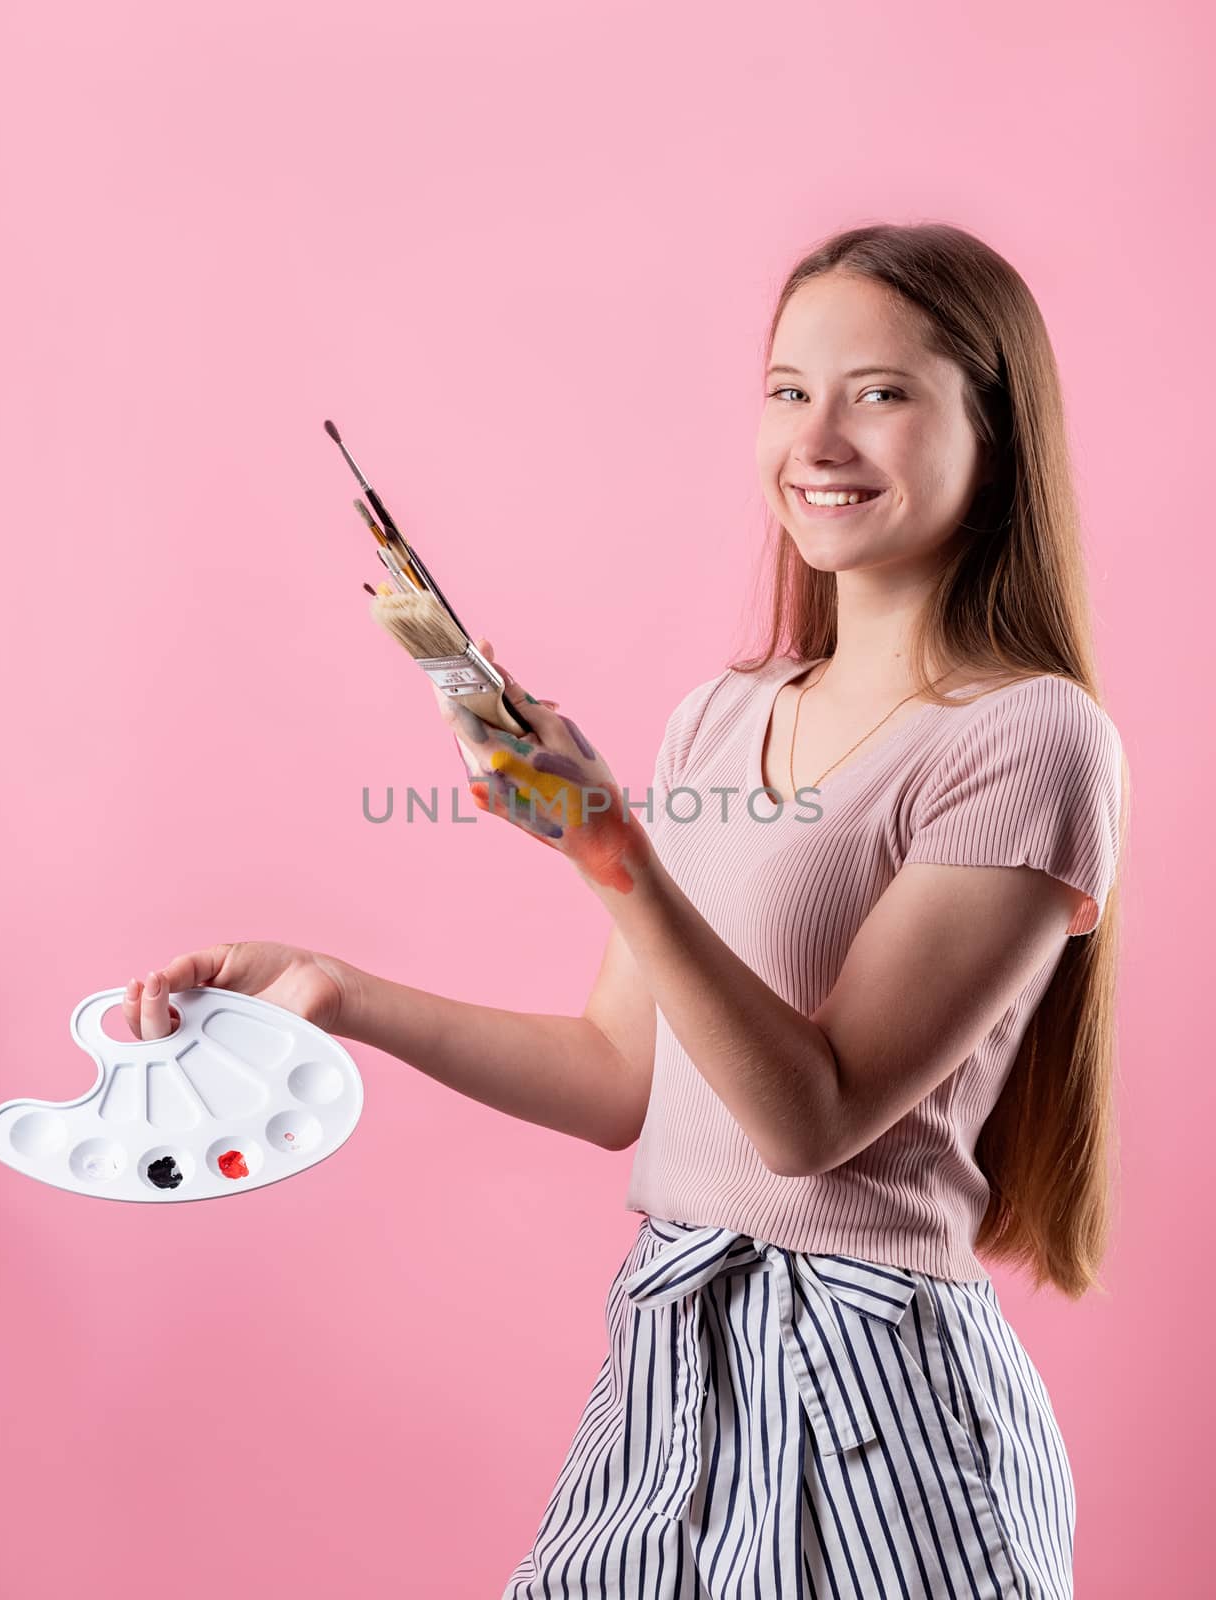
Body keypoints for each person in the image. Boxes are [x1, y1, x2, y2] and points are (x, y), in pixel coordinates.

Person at [126, 221, 1127, 1599]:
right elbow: (621, 1081)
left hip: (879, 1402)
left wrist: (613, 855)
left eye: (881, 392)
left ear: (997, 432)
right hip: (671, 1368)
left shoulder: (1032, 739)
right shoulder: (725, 716)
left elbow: (809, 1121)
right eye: (788, 390)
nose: (818, 440)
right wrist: (340, 995)